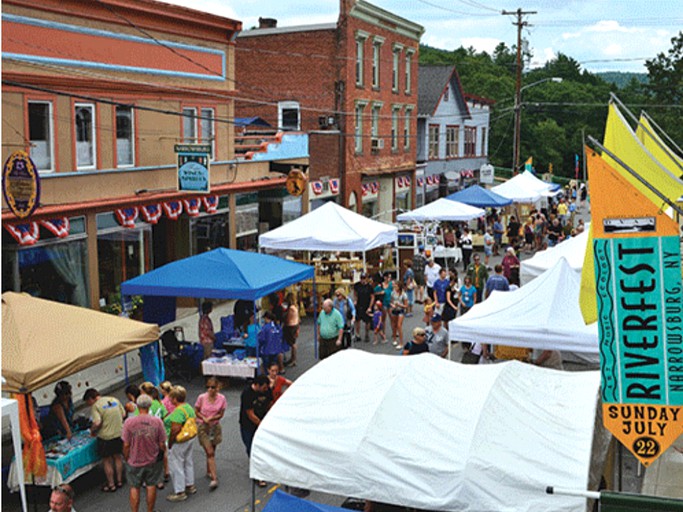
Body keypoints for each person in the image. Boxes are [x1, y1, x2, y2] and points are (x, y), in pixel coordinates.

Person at [122, 394, 166, 512]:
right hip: (152, 459)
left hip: (134, 459)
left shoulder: (129, 422)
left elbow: (126, 444)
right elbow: (162, 443)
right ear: (150, 405)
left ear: (137, 405)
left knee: (134, 487)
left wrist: (126, 457)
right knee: (151, 485)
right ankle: (149, 510)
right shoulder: (157, 422)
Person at [83, 388, 126, 492]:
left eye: (88, 402)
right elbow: (123, 414)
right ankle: (119, 481)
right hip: (119, 433)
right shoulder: (114, 399)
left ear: (91, 399)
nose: (88, 405)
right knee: (118, 457)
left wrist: (92, 430)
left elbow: (97, 422)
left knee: (107, 460)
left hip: (105, 437)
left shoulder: (96, 406)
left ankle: (111, 484)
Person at [164, 386, 197, 502]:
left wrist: (170, 442)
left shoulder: (178, 412)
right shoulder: (188, 407)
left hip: (179, 441)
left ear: (174, 399)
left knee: (176, 465)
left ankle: (180, 491)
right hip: (189, 438)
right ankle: (190, 484)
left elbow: (175, 429)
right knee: (188, 461)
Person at [194, 377, 227, 491]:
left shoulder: (222, 398)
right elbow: (196, 411)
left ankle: (209, 470)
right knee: (210, 452)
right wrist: (204, 418)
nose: (210, 389)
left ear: (217, 387)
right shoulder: (201, 398)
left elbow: (221, 414)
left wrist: (212, 418)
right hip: (203, 426)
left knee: (212, 450)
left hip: (215, 426)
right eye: (208, 387)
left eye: (213, 387)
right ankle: (214, 478)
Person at [239, 375, 271, 477]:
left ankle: (262, 467)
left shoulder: (267, 390)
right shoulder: (247, 393)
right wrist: (262, 425)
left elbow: (270, 404)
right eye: (264, 388)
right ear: (257, 385)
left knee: (264, 447)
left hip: (263, 421)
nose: (266, 390)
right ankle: (257, 471)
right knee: (251, 447)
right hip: (248, 424)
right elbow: (250, 414)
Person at [353, 273, 375, 343]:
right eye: (361, 278)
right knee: (357, 320)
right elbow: (355, 293)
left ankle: (367, 334)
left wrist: (370, 307)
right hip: (359, 305)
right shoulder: (357, 285)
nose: (363, 280)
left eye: (364, 278)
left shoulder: (369, 287)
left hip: (366, 304)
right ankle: (358, 335)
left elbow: (372, 297)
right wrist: (355, 300)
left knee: (367, 321)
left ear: (367, 279)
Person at [282, 292, 300, 366]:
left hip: (290, 326)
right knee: (293, 343)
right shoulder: (295, 307)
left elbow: (288, 319)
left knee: (292, 343)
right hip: (295, 325)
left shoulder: (290, 308)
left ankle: (293, 359)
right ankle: (293, 359)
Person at [389, 281, 408, 349]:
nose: (395, 287)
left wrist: (399, 305)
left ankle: (401, 342)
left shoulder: (403, 294)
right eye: (394, 286)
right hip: (395, 310)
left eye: (396, 286)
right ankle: (394, 339)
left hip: (401, 310)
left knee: (399, 325)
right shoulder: (392, 293)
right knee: (394, 325)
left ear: (399, 287)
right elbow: (391, 302)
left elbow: (406, 305)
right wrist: (392, 305)